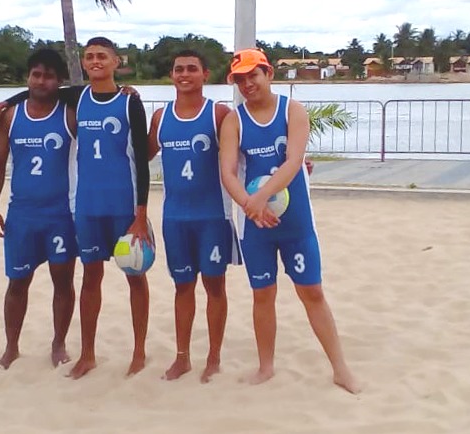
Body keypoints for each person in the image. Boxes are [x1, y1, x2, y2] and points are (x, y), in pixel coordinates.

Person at [0, 37, 151, 378]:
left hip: (111, 207)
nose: (95, 61)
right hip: (75, 208)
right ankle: (77, 353)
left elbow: (142, 159)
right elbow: (37, 94)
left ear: (115, 61)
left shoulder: (118, 102)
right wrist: (4, 101)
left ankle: (133, 352)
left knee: (131, 277)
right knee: (75, 279)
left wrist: (141, 212)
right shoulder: (71, 99)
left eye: (101, 56)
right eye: (89, 56)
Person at [218, 48, 360, 393]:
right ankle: (266, 366)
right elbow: (228, 173)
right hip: (258, 224)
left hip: (295, 221)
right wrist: (250, 206)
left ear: (268, 73)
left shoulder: (292, 111)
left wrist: (262, 196)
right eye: (240, 79)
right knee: (262, 294)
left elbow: (294, 161)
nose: (247, 83)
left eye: (253, 75)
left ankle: (341, 369)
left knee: (312, 291)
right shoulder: (234, 120)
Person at [147, 50, 237, 383]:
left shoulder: (219, 114)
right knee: (182, 287)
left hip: (212, 217)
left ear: (205, 75)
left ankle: (213, 357)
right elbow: (137, 157)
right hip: (175, 218)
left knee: (215, 286)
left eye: (192, 69)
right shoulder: (160, 117)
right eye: (179, 69)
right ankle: (182, 357)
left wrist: (297, 163)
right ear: (171, 75)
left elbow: (244, 154)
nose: (185, 74)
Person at [0, 48, 78, 370]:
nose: (41, 81)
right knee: (17, 283)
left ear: (59, 81)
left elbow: (96, 95)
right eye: (36, 74)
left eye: (49, 75)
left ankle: (58, 343)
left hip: (60, 215)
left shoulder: (69, 113)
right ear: (28, 78)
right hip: (22, 213)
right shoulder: (11, 117)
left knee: (63, 281)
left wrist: (128, 93)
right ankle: (11, 347)